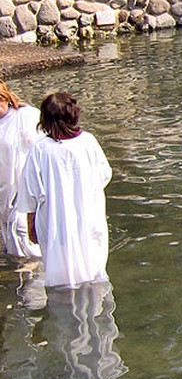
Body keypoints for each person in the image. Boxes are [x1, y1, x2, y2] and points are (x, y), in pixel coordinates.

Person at [15, 92, 113, 288]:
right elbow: (104, 175)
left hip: (54, 220)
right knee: (91, 265)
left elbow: (30, 191)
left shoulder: (40, 149)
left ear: (44, 120)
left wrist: (31, 224)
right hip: (88, 215)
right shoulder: (88, 142)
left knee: (59, 270)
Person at [0, 82, 42, 257]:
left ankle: (37, 280)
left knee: (25, 238)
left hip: (24, 190)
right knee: (11, 240)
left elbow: (43, 150)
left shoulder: (25, 116)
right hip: (3, 192)